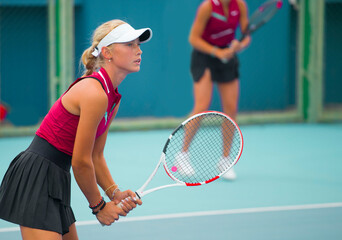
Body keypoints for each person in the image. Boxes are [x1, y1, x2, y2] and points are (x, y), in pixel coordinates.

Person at [0, 19, 152, 240]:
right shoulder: (94, 92)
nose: (138, 50)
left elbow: (95, 155)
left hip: (56, 177)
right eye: (129, 44)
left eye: (138, 44)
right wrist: (99, 207)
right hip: (37, 176)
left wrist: (115, 193)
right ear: (107, 53)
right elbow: (81, 162)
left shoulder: (112, 98)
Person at [183, 0, 250, 180]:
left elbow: (246, 35)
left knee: (231, 110)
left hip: (228, 56)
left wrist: (240, 45)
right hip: (205, 56)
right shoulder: (208, 7)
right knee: (202, 106)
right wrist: (216, 52)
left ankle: (225, 160)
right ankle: (182, 155)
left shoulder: (240, 5)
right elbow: (193, 38)